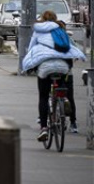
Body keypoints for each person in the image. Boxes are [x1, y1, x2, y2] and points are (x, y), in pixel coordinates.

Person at [21, 10, 86, 141]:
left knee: (44, 97)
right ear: (55, 19)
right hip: (62, 67)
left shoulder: (38, 31)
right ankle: (65, 101)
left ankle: (44, 128)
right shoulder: (60, 30)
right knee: (63, 88)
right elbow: (71, 46)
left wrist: (28, 66)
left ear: (42, 19)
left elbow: (31, 49)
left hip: (45, 68)